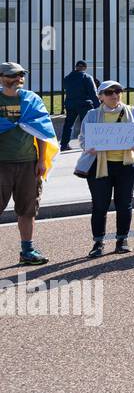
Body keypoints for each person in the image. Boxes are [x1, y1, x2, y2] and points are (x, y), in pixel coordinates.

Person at [76, 80, 134, 256]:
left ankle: (122, 240)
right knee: (99, 205)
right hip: (99, 166)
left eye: (118, 91)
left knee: (124, 204)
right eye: (109, 93)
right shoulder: (92, 115)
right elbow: (82, 139)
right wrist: (88, 146)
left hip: (127, 166)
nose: (114, 95)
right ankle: (98, 243)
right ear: (100, 97)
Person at [0, 61, 58, 265]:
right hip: (2, 164)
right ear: (1, 77)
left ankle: (27, 250)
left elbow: (42, 130)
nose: (18, 79)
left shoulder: (31, 100)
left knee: (28, 209)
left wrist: (42, 159)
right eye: (12, 75)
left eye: (21, 75)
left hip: (28, 163)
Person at [60, 59, 98, 151]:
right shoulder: (87, 77)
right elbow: (93, 93)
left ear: (76, 67)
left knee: (68, 124)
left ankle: (64, 145)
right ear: (85, 68)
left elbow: (65, 87)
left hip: (70, 104)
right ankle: (89, 143)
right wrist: (98, 105)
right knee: (87, 124)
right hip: (84, 104)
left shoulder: (67, 77)